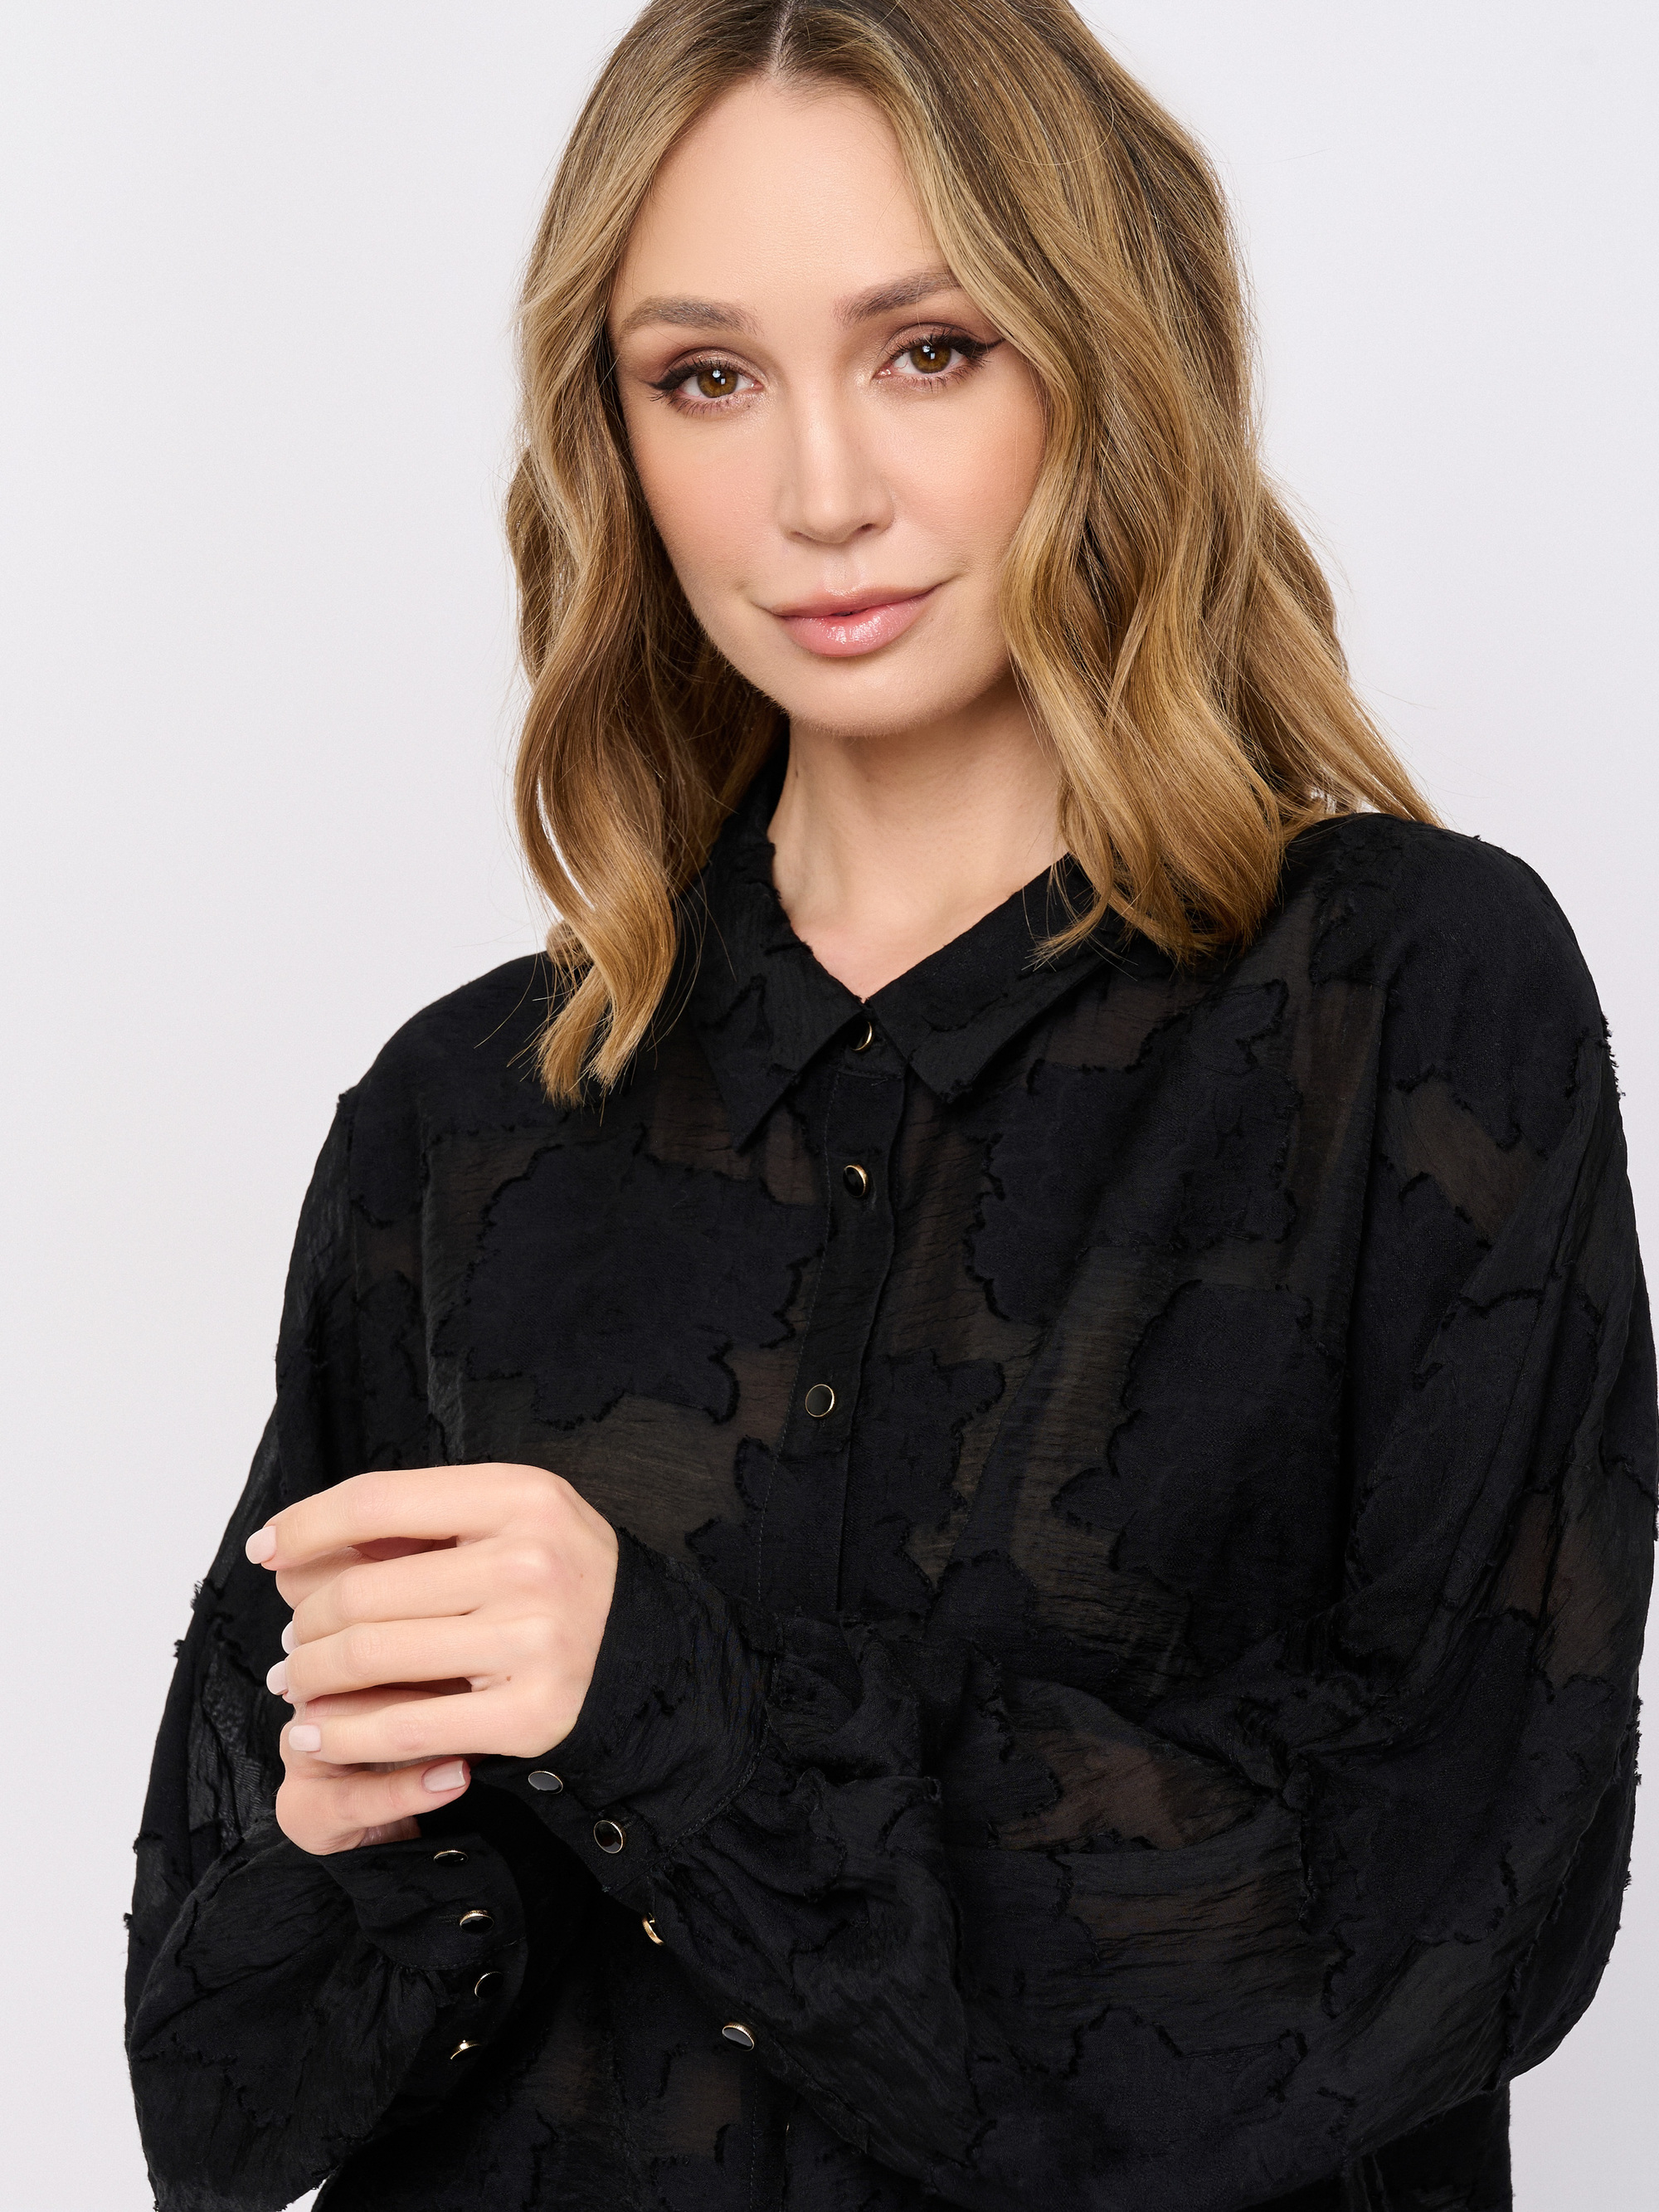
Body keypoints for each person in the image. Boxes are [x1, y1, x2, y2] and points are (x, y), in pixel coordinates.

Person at [124, 4, 1656, 2209]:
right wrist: (353, 1847)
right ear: (611, 433)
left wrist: (655, 1697)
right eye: (705, 377)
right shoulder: (461, 1124)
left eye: (928, 350)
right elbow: (220, 2096)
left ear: (1100, 361)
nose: (820, 491)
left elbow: (1454, 1895)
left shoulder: (1407, 1004)